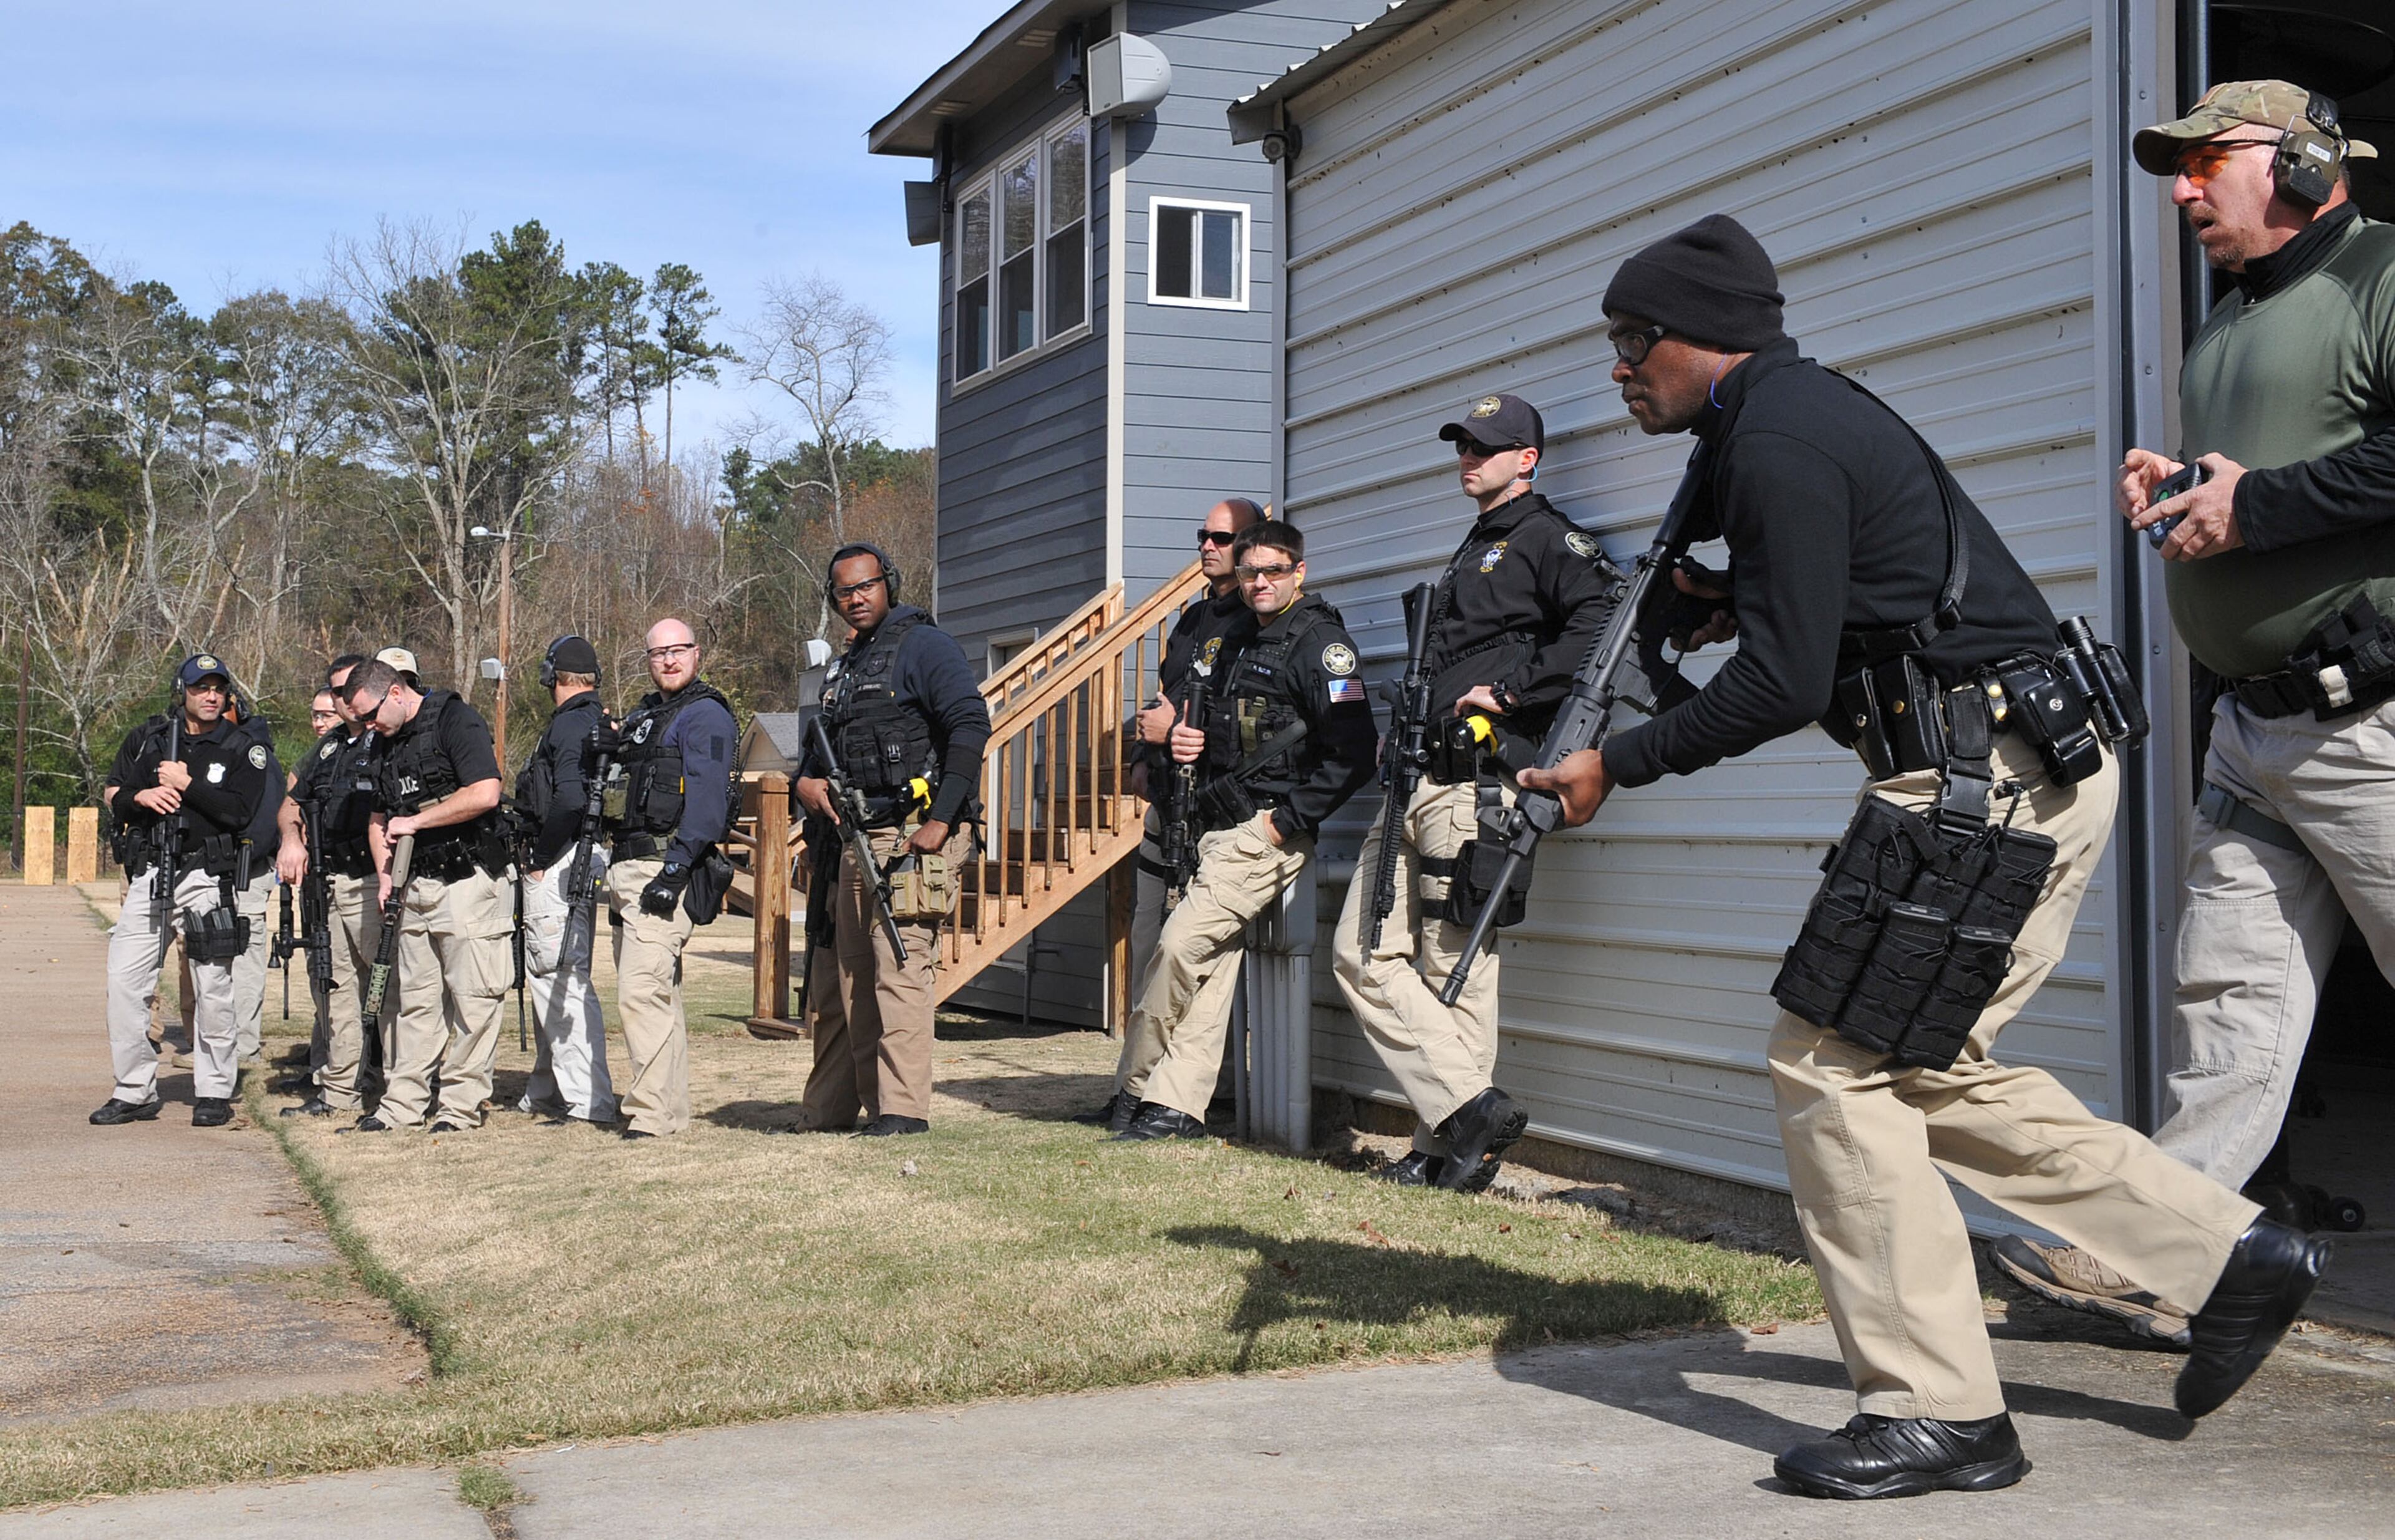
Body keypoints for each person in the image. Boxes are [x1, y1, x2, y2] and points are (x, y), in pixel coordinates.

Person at [1521, 212, 2328, 1498]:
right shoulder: (1775, 423)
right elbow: (1845, 609)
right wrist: (1728, 598)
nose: (1621, 365)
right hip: (1993, 766)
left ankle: (1942, 1410)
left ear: (1709, 340)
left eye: (1636, 339)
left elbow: (1784, 683)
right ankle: (2230, 1256)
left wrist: (1616, 762)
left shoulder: (1778, 440)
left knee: (1835, 1067)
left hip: (1983, 776)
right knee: (1916, 1064)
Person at [1998, 80, 2391, 1347]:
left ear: (2304, 159)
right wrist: (2180, 488)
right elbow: (2268, 475)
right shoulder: (2230, 323)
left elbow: (2300, 486)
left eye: (2205, 161)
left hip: (2368, 724)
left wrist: (2259, 506)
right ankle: (2155, 1249)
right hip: (2254, 735)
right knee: (2227, 1012)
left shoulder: (2383, 278)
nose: (2180, 190)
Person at [1330, 392, 1621, 1191]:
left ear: (1527, 458)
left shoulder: (1546, 537)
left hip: (1477, 785)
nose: (1469, 458)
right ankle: (1470, 1112)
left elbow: (1604, 618)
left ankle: (1447, 1152)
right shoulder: (1480, 542)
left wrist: (1512, 692)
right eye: (1463, 446)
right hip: (1416, 774)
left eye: (1485, 448)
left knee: (1455, 963)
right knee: (1364, 954)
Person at [1115, 521, 1377, 1139]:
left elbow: (1357, 751)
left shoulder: (1323, 646)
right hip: (1213, 824)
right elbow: (1223, 731)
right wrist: (1188, 742)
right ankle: (1174, 1107)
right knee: (1208, 966)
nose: (1260, 583)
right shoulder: (1234, 641)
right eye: (1251, 572)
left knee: (1178, 947)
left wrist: (1286, 823)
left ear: (1299, 574)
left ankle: (1135, 1086)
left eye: (1274, 572)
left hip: (1265, 832)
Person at [796, 545, 990, 1136]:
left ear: (890, 583)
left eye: (866, 586)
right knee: (852, 978)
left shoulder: (924, 646)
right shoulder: (844, 666)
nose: (856, 598)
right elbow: (814, 753)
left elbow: (970, 725)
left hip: (912, 835)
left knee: (900, 969)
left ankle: (905, 1112)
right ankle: (862, 1108)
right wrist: (801, 783)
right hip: (853, 837)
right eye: (844, 592)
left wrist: (941, 821)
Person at [1090, 495, 1265, 1131]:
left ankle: (1178, 1095)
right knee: (1145, 947)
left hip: (1218, 813)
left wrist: (1176, 736)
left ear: (1252, 544)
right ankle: (1135, 1089)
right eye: (1203, 536)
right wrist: (1142, 752)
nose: (1207, 547)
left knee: (1184, 954)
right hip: (1165, 808)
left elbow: (1248, 720)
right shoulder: (1190, 620)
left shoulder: (1258, 623)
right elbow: (1165, 697)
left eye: (1222, 537)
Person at [93, 654, 275, 1129]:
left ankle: (214, 1089)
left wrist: (186, 784)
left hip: (207, 878)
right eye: (201, 688)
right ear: (184, 691)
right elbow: (120, 793)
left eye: (218, 688)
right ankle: (134, 1089)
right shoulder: (155, 739)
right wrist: (143, 798)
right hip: (153, 873)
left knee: (213, 988)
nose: (211, 695)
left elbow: (241, 812)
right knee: (124, 983)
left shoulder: (243, 745)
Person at [341, 657, 512, 1134]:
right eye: (360, 719)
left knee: (474, 998)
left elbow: (485, 792)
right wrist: (386, 876)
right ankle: (403, 1105)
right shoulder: (381, 743)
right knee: (416, 1001)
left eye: (371, 714)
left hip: (468, 880)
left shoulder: (457, 720)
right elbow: (379, 817)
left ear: (395, 692)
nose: (368, 726)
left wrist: (417, 822)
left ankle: (459, 1107)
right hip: (413, 883)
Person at [602, 617, 738, 1140]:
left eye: (678, 650)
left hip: (665, 868)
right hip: (628, 867)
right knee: (659, 993)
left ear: (697, 653)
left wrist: (677, 868)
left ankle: (652, 1114)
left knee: (641, 992)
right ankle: (669, 1112)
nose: (669, 660)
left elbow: (708, 802)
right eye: (658, 653)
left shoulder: (704, 715)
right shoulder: (646, 716)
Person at [513, 635, 619, 1126]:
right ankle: (550, 1089)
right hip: (578, 856)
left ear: (554, 676)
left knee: (561, 977)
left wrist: (538, 856)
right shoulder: (591, 721)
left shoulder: (569, 725)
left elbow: (571, 801)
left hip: (559, 861)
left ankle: (587, 1100)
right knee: (553, 976)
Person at [277, 658, 389, 1118]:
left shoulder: (386, 740)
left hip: (372, 879)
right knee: (337, 987)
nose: (343, 701)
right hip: (331, 880)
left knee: (388, 990)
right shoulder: (330, 748)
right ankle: (338, 1092)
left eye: (350, 691)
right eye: (336, 692)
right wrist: (290, 837)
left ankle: (399, 1091)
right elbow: (291, 798)